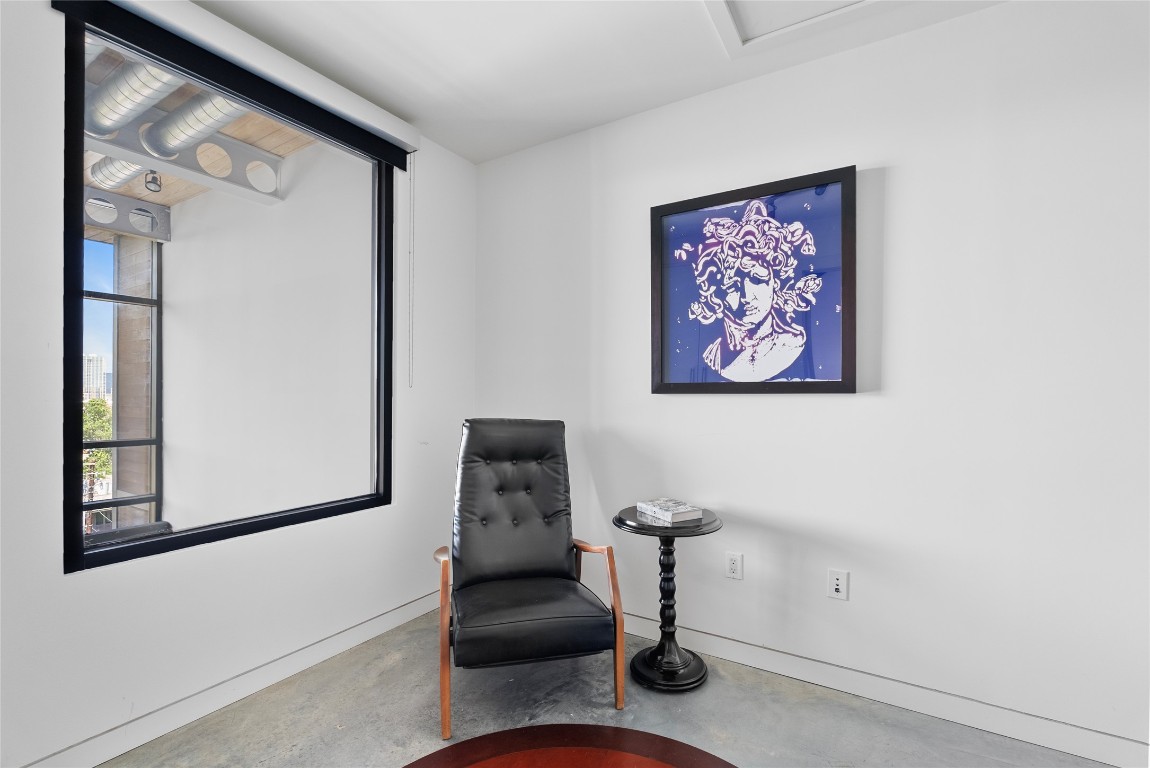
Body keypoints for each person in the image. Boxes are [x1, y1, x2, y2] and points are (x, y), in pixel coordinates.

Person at [686, 200, 822, 382]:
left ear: (775, 283)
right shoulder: (712, 356)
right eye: (731, 285)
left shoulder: (793, 344)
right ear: (715, 292)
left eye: (757, 279)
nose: (746, 296)